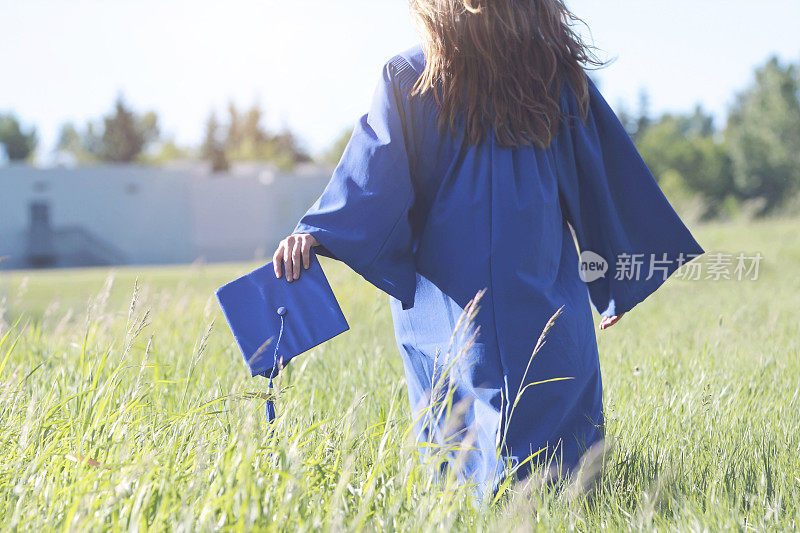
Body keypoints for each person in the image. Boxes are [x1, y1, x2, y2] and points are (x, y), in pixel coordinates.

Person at [272, 0, 703, 497]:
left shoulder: (430, 74)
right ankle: (549, 505)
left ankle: (495, 508)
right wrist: (612, 278)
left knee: (458, 411)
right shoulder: (540, 73)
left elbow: (372, 177)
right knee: (544, 390)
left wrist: (320, 230)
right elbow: (601, 179)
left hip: (452, 288)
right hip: (530, 270)